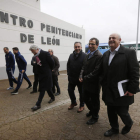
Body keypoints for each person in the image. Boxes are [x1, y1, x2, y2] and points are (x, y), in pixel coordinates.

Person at [101, 33, 139, 137]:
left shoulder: (129, 52)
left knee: (122, 112)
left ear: (120, 40)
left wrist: (132, 89)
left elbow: (135, 73)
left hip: (122, 90)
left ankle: (128, 123)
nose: (111, 39)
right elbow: (103, 72)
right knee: (111, 111)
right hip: (109, 90)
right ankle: (114, 129)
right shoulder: (106, 54)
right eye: (109, 38)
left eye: (114, 38)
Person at [79, 38, 102, 124]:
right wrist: (81, 75)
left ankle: (95, 117)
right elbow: (83, 67)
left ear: (97, 45)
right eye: (89, 44)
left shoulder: (99, 56)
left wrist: (84, 78)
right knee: (85, 98)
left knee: (95, 100)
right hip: (86, 82)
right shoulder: (87, 55)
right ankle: (92, 111)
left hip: (94, 83)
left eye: (92, 44)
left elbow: (96, 71)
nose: (90, 46)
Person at [29, 45, 55, 111]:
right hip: (40, 74)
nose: (33, 53)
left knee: (42, 89)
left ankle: (38, 104)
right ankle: (52, 97)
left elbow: (52, 63)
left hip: (47, 74)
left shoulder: (45, 53)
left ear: (37, 49)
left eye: (33, 51)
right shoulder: (36, 55)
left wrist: (48, 70)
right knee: (48, 88)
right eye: (32, 52)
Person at [67, 42, 87, 113]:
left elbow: (85, 67)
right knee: (70, 90)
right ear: (74, 47)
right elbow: (68, 65)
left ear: (81, 47)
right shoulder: (71, 55)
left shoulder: (85, 55)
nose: (77, 48)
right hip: (72, 78)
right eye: (76, 47)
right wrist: (68, 75)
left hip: (80, 79)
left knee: (81, 93)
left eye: (78, 47)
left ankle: (82, 105)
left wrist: (82, 76)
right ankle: (73, 102)